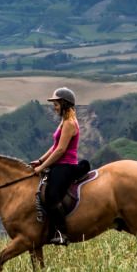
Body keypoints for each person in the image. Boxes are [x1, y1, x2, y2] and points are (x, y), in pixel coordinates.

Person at [29, 87, 89, 246]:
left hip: (66, 166)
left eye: (56, 104)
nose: (54, 107)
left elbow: (61, 150)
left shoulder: (69, 123)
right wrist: (40, 161)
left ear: (64, 104)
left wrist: (41, 168)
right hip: (59, 164)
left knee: (52, 195)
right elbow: (55, 146)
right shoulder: (64, 121)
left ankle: (62, 232)